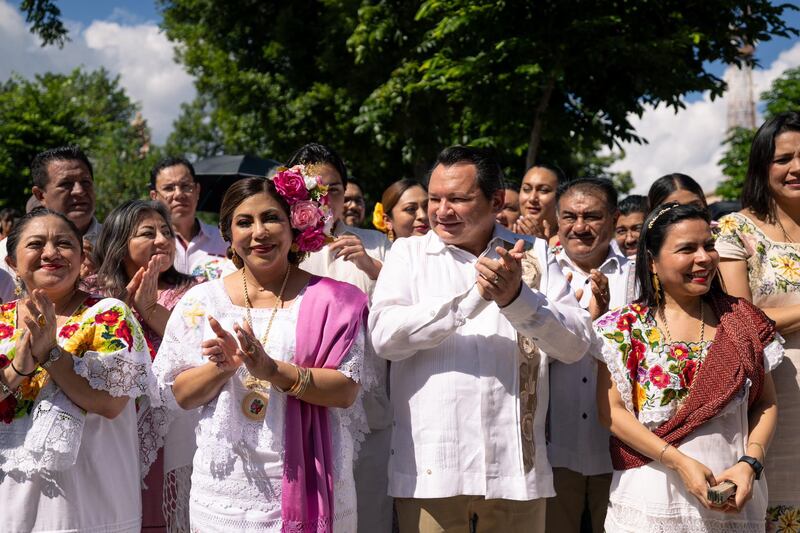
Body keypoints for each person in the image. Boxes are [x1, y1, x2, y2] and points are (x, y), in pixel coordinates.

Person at [370, 146, 593, 533]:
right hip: (431, 472)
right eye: (434, 199)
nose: (440, 211)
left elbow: (575, 345)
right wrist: (473, 299)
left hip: (515, 475)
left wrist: (517, 299)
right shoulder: (407, 254)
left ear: (495, 201)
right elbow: (386, 338)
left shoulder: (534, 254)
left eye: (457, 198)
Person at [152, 170, 371, 532]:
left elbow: (346, 390)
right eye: (244, 222)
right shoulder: (201, 302)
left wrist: (272, 371)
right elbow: (177, 396)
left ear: (295, 226)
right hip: (226, 492)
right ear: (228, 233)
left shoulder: (335, 300)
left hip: (315, 478)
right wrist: (221, 368)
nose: (259, 232)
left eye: (271, 217)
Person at [595, 202, 782, 532]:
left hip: (734, 496)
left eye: (708, 246)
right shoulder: (622, 328)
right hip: (651, 499)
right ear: (652, 262)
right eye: (687, 249)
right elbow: (611, 412)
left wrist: (750, 463)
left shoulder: (742, 322)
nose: (704, 258)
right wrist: (679, 462)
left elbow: (766, 402)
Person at [0, 208, 158, 532]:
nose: (50, 253)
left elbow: (111, 403)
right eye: (35, 244)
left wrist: (51, 354)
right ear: (13, 262)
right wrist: (20, 366)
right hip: (10, 505)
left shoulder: (109, 315)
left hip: (93, 507)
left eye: (63, 243)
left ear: (81, 257)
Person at [290, 142, 393, 533]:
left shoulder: (378, 243)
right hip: (299, 400)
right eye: (311, 189)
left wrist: (371, 265)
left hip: (368, 404)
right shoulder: (280, 249)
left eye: (333, 189)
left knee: (368, 515)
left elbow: (406, 307)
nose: (323, 198)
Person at [92, 200, 199, 532]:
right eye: (147, 232)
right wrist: (121, 305)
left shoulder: (191, 291)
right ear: (120, 243)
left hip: (171, 425)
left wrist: (150, 309)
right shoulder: (94, 293)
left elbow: (195, 349)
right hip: (113, 422)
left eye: (166, 231)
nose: (162, 239)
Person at [716, 111, 800, 529]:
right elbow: (742, 319)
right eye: (783, 158)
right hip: (778, 394)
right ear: (762, 165)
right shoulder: (736, 230)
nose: (796, 168)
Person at [547, 178, 631, 533]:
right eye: (569, 216)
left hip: (620, 451)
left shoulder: (638, 276)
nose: (579, 227)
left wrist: (606, 321)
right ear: (556, 219)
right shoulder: (540, 275)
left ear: (612, 219)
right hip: (553, 450)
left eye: (591, 216)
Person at [0, 146, 102, 277]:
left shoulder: (119, 244)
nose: (79, 191)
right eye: (66, 184)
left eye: (85, 182)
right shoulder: (6, 255)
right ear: (40, 195)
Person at [149, 156, 231, 280]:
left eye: (186, 186)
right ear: (154, 196)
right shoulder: (151, 245)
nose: (179, 194)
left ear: (197, 190)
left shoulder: (224, 240)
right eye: (169, 188)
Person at [514, 163, 564, 242]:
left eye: (543, 190)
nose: (532, 198)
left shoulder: (572, 246)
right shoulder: (499, 238)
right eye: (526, 189)